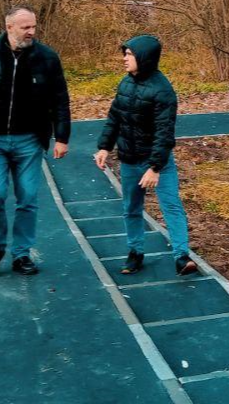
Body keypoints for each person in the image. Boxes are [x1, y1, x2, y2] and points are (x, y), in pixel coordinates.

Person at [0, 5, 71, 278]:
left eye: (33, 26)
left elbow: (60, 100)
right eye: (25, 27)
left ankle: (21, 254)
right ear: (9, 28)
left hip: (28, 141)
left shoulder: (47, 58)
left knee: (28, 198)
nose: (32, 32)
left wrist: (62, 137)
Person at [93, 35, 198, 276]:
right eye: (125, 54)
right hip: (129, 159)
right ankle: (135, 253)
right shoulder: (125, 83)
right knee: (131, 207)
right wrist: (104, 147)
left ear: (144, 58)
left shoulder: (163, 91)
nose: (124, 59)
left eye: (129, 55)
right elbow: (114, 117)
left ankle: (182, 257)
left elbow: (165, 133)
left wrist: (154, 168)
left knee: (171, 206)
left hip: (158, 162)